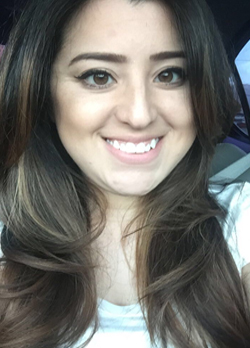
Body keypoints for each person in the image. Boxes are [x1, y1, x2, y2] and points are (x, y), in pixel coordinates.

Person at [0, 0, 249, 347]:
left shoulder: (240, 223)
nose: (139, 114)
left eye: (170, 74)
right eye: (99, 76)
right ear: (43, 93)